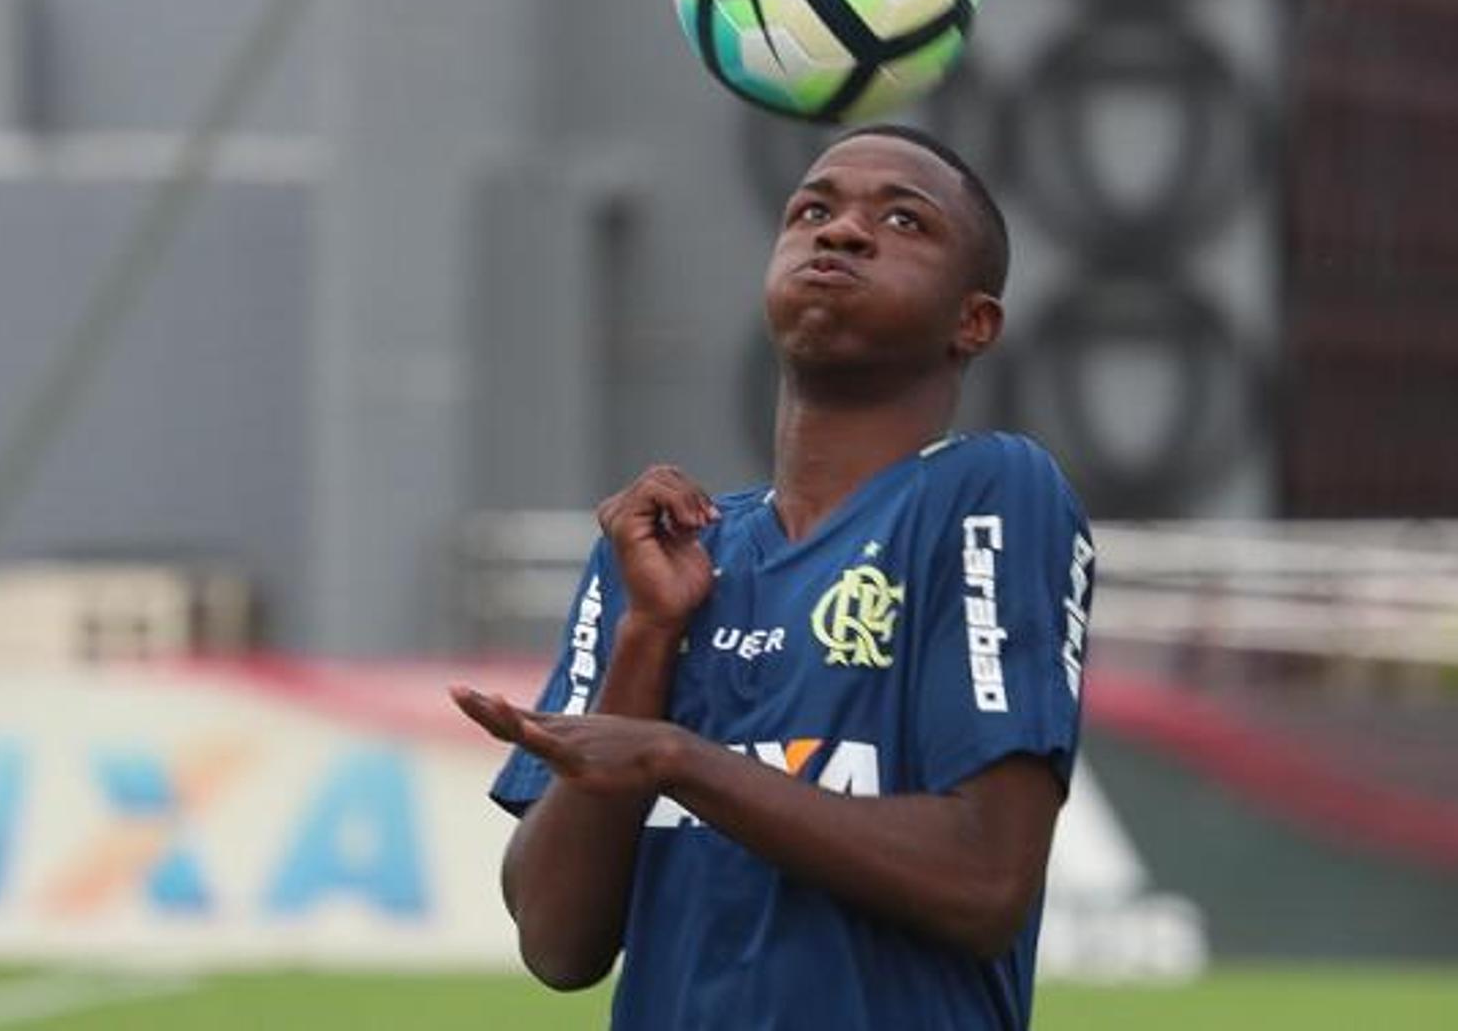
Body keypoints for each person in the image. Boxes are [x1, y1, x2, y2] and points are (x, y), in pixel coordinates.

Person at [451, 124, 1096, 1030]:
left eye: (903, 220)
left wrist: (676, 757)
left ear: (973, 321)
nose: (841, 231)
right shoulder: (661, 550)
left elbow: (984, 880)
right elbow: (560, 945)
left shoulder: (985, 491)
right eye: (813, 210)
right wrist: (647, 636)